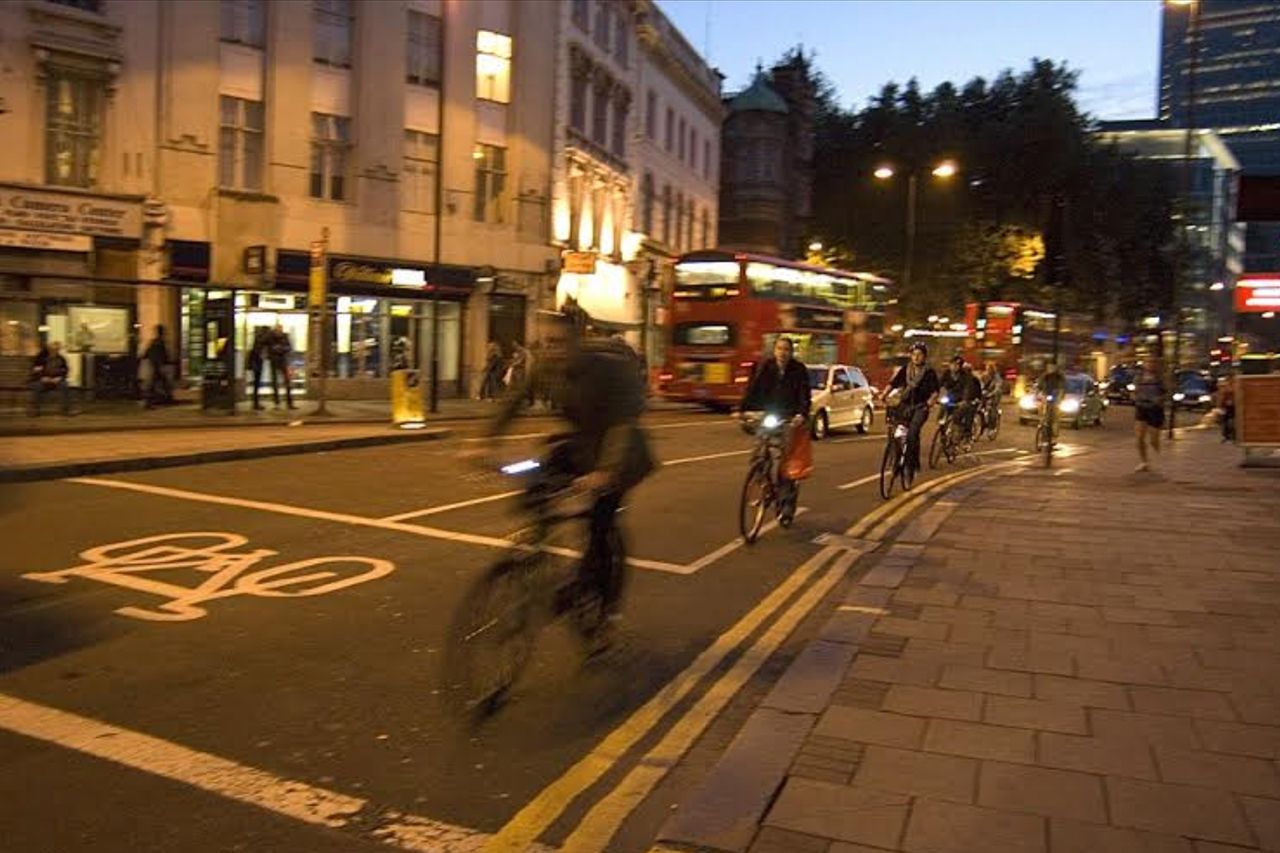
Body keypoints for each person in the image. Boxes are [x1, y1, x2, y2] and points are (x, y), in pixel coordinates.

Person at [479, 312, 655, 650]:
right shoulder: (545, 366)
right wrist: (483, 441)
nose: (552, 351)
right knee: (536, 482)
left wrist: (604, 472)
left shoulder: (607, 369)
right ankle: (536, 547)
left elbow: (622, 425)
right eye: (547, 343)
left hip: (620, 451)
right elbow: (513, 404)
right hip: (578, 444)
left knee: (600, 528)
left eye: (559, 343)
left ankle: (606, 613)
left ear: (578, 341)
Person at [738, 336, 812, 524]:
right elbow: (753, 389)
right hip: (768, 414)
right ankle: (760, 476)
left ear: (791, 352)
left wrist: (801, 414)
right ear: (775, 350)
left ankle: (786, 505)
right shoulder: (767, 367)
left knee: (786, 463)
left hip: (789, 418)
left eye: (786, 349)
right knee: (759, 448)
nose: (782, 352)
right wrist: (742, 410)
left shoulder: (799, 370)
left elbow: (804, 395)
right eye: (779, 348)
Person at [881, 341, 941, 477]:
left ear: (924, 357)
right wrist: (884, 394)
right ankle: (896, 460)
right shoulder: (905, 370)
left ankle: (911, 463)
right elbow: (893, 383)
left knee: (913, 433)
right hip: (905, 406)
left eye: (919, 355)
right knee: (896, 433)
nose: (916, 357)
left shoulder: (929, 372)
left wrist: (929, 403)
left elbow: (935, 391)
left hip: (920, 407)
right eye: (914, 355)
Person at [1132, 361, 1165, 472]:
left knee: (1153, 439)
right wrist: (1134, 396)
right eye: (1147, 362)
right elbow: (1134, 390)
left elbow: (1167, 392)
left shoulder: (1160, 379)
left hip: (1155, 409)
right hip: (1141, 408)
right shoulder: (1139, 377)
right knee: (1139, 437)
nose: (1149, 364)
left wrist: (1159, 399)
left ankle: (1159, 458)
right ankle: (1144, 462)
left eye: (1151, 362)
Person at [29, 341, 71, 416]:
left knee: (64, 386)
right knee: (37, 386)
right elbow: (35, 370)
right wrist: (42, 377)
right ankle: (35, 410)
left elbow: (65, 370)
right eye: (52, 349)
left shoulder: (61, 359)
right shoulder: (41, 358)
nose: (54, 351)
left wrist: (60, 377)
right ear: (49, 349)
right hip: (43, 380)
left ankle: (65, 410)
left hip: (56, 380)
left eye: (56, 349)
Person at [143, 324, 173, 409]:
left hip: (155, 365)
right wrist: (167, 362)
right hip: (158, 366)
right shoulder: (160, 342)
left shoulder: (154, 342)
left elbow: (146, 354)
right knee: (158, 383)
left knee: (156, 383)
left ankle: (150, 401)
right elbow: (164, 355)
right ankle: (149, 402)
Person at [267, 323, 295, 409]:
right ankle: (277, 403)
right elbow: (270, 348)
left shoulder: (285, 336)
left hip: (283, 361)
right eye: (278, 329)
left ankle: (289, 402)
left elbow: (288, 347)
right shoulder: (271, 337)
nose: (279, 330)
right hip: (274, 361)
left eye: (281, 329)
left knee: (287, 382)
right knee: (275, 382)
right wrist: (278, 349)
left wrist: (279, 349)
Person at [247, 326, 269, 411]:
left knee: (256, 383)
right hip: (257, 363)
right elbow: (258, 352)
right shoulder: (259, 341)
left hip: (256, 363)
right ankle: (255, 403)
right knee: (257, 383)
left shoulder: (257, 339)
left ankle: (255, 403)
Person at [1216, 372, 1236, 443]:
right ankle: (1228, 436)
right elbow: (1221, 396)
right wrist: (1219, 406)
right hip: (1227, 406)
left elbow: (1221, 396)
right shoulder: (1226, 386)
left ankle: (1231, 436)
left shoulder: (1228, 385)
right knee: (1226, 421)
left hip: (1234, 406)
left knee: (1230, 421)